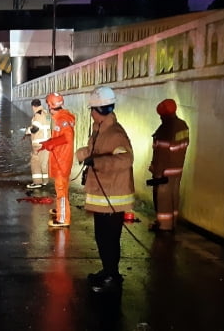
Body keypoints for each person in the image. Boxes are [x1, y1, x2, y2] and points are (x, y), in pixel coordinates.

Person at [75, 86, 135, 293]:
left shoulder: (115, 133)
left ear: (100, 110)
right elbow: (96, 151)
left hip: (112, 197)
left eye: (92, 109)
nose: (90, 113)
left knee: (109, 238)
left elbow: (125, 159)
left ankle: (112, 275)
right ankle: (107, 270)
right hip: (103, 195)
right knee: (102, 237)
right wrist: (84, 154)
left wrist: (97, 161)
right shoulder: (101, 130)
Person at [148, 98, 189, 231]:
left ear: (163, 115)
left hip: (165, 171)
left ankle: (164, 226)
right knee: (174, 195)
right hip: (177, 170)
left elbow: (162, 153)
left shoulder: (165, 129)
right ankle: (173, 222)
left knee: (163, 198)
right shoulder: (183, 125)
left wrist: (156, 172)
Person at [39, 92, 75, 227]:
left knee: (61, 190)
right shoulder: (62, 118)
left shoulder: (62, 120)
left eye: (48, 105)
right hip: (61, 159)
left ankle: (63, 218)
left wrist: (51, 143)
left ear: (50, 106)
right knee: (61, 189)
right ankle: (61, 210)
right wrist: (49, 142)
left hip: (62, 161)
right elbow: (61, 138)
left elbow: (67, 138)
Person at [25, 99, 50, 189]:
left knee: (35, 162)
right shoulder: (46, 114)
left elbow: (35, 128)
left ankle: (37, 182)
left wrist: (28, 130)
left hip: (38, 143)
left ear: (33, 106)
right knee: (44, 163)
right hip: (47, 143)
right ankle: (45, 181)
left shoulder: (37, 115)